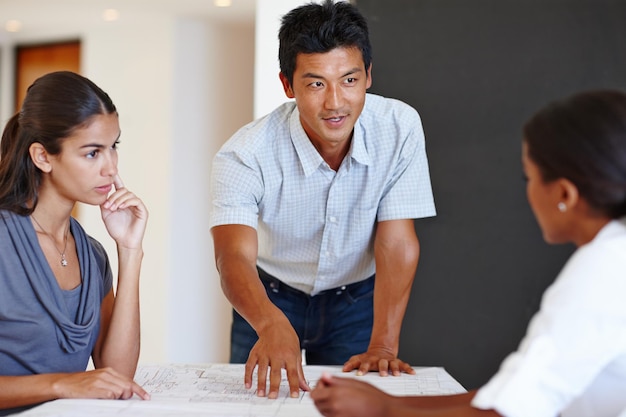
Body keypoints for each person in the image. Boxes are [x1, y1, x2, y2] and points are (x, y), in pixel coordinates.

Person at [310, 89, 626, 417]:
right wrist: (387, 401)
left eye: (527, 177)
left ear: (564, 193)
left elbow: (509, 412)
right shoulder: (614, 256)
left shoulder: (601, 271)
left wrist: (383, 411)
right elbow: (505, 396)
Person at [210, 0, 436, 400]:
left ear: (368, 75)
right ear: (287, 85)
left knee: (352, 408)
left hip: (354, 300)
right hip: (269, 295)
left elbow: (397, 240)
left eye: (349, 80)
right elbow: (233, 258)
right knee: (251, 405)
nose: (335, 102)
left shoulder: (400, 127)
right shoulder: (244, 153)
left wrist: (383, 344)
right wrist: (269, 323)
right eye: (316, 84)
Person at [0, 71, 150, 415]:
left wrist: (129, 251)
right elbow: (79, 382)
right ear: (42, 157)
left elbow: (117, 374)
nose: (110, 168)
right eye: (92, 153)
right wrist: (61, 383)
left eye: (113, 147)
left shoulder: (92, 254)